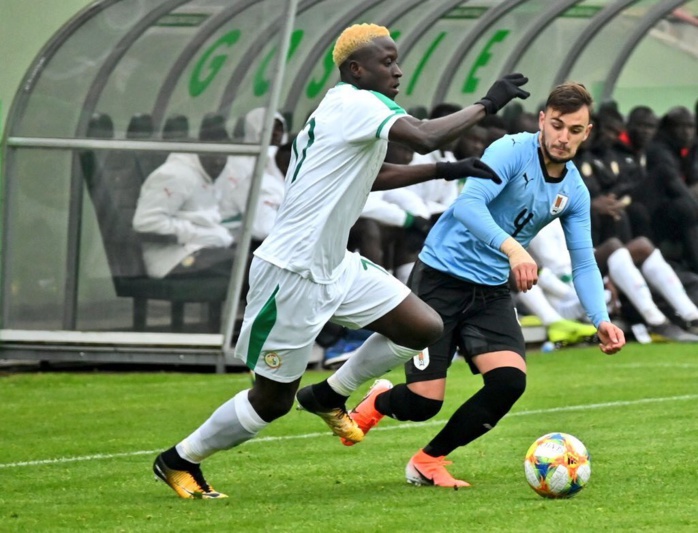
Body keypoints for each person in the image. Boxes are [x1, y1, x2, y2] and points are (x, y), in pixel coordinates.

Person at [152, 22, 530, 499]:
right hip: (291, 273)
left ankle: (330, 395)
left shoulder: (340, 107)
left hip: (335, 264)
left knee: (421, 327)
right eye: (386, 62)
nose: (397, 70)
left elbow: (370, 175)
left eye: (396, 60)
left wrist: (444, 170)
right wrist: (488, 103)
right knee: (270, 402)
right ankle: (180, 459)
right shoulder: (358, 103)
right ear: (356, 69)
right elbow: (422, 135)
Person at [299, 82, 626, 488]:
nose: (563, 137)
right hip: (440, 278)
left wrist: (601, 319)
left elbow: (583, 260)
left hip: (489, 292)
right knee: (422, 404)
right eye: (557, 125)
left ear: (586, 132)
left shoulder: (574, 189)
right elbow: (469, 205)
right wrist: (515, 251)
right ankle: (379, 400)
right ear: (543, 120)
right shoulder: (510, 150)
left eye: (574, 130)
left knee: (509, 382)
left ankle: (428, 461)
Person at [132, 114, 235, 280]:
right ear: (200, 150)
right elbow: (146, 223)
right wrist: (198, 234)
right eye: (213, 155)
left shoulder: (215, 175)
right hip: (172, 260)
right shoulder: (176, 175)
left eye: (223, 156)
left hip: (205, 249)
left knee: (261, 264)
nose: (218, 162)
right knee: (251, 268)